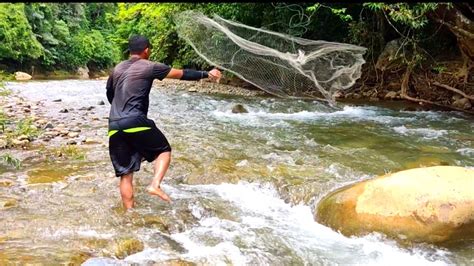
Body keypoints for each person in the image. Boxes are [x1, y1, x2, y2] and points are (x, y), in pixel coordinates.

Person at [106, 35, 221, 210]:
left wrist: (120, 113)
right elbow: (182, 74)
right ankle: (155, 184)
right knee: (164, 150)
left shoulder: (117, 68)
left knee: (126, 175)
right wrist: (207, 74)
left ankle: (130, 214)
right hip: (136, 120)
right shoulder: (150, 66)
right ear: (146, 50)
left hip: (114, 125)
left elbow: (110, 95)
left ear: (130, 51)